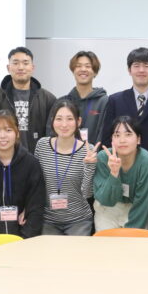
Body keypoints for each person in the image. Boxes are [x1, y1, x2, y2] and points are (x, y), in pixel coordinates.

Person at [34, 99, 100, 236]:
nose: (64, 124)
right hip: (48, 220)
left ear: (78, 121)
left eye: (69, 119)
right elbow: (35, 185)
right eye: (59, 119)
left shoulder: (88, 150)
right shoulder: (42, 145)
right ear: (52, 121)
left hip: (79, 220)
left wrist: (89, 166)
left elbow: (87, 193)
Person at [100, 47, 148, 162]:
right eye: (136, 66)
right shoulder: (115, 100)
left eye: (146, 66)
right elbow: (107, 137)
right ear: (129, 70)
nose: (141, 70)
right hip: (120, 165)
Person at [0, 47, 57, 153]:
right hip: (3, 158)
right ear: (8, 68)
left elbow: (53, 132)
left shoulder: (47, 99)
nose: (20, 67)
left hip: (38, 159)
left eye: (25, 63)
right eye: (15, 63)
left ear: (32, 68)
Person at [93, 116, 148, 230]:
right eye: (117, 135)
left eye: (128, 134)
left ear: (138, 139)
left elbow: (144, 204)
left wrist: (130, 233)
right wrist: (114, 173)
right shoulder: (103, 158)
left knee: (134, 240)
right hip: (108, 210)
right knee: (105, 241)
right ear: (112, 140)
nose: (122, 140)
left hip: (136, 209)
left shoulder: (147, 162)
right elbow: (106, 200)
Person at [62, 51, 109, 144]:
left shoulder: (104, 101)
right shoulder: (64, 102)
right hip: (67, 153)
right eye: (78, 66)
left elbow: (104, 132)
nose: (83, 69)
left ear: (95, 72)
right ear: (73, 71)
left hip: (95, 152)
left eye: (88, 66)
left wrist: (95, 152)